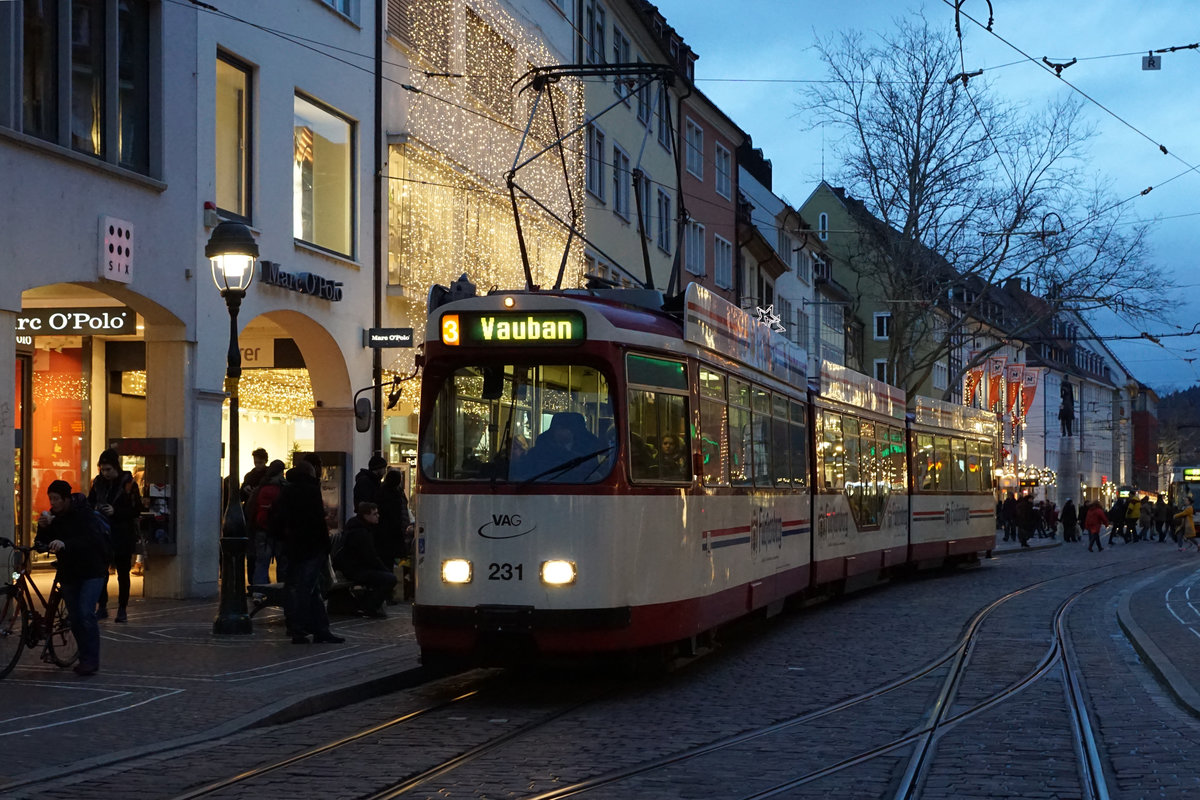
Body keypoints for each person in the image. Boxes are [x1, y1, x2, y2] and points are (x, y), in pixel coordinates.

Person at [36, 480, 108, 675]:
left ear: (67, 499)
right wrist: (42, 528)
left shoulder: (83, 514)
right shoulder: (54, 517)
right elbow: (41, 543)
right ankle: (84, 656)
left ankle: (91, 660)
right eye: (51, 498)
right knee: (75, 617)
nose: (53, 503)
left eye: (57, 498)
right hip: (69, 572)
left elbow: (89, 539)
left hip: (92, 571)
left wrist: (65, 543)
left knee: (86, 613)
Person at [275, 460, 344, 644]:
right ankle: (306, 629)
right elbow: (318, 521)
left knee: (305, 588)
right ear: (311, 473)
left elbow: (278, 518)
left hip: (294, 547)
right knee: (307, 589)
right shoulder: (310, 490)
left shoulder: (287, 490)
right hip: (312, 546)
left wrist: (284, 539)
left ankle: (315, 629)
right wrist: (325, 545)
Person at [88, 448, 142, 623]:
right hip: (102, 535)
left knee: (123, 573)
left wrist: (115, 511)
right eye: (102, 469)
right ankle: (102, 606)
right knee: (101, 572)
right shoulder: (97, 484)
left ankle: (122, 609)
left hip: (122, 534)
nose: (105, 473)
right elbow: (89, 504)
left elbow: (136, 509)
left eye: (108, 469)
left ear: (116, 468)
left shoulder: (128, 484)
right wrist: (96, 509)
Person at [333, 502, 398, 617]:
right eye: (374, 514)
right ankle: (369, 606)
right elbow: (370, 557)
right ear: (365, 516)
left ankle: (366, 604)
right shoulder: (360, 533)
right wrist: (385, 570)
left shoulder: (361, 529)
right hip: (355, 569)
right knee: (389, 579)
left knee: (385, 577)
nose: (378, 516)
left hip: (354, 567)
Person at [518, 412, 603, 482]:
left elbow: (593, 473)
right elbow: (526, 473)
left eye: (563, 428)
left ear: (573, 431)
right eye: (556, 428)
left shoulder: (588, 452)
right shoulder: (540, 450)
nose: (558, 431)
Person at [245, 460, 287, 589]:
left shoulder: (260, 488)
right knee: (283, 563)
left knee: (261, 563)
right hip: (280, 531)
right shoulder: (284, 488)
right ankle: (282, 589)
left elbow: (250, 509)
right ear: (281, 472)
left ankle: (259, 590)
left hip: (261, 530)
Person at [376, 468, 412, 602]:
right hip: (392, 534)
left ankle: (390, 594)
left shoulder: (384, 492)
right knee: (390, 563)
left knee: (390, 563)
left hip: (389, 534)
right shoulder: (394, 494)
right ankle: (389, 594)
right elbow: (398, 514)